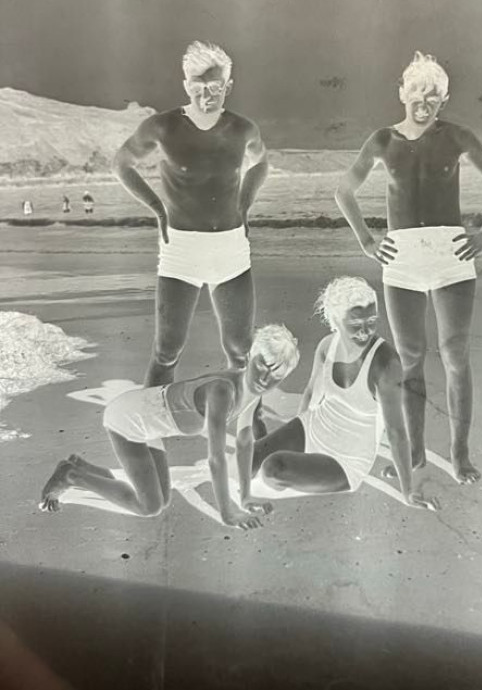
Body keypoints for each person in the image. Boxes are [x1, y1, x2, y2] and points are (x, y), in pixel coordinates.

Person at [335, 51, 482, 484]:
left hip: (451, 256)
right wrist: (366, 239)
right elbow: (344, 190)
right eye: (417, 92)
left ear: (443, 99)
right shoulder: (382, 140)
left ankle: (459, 453)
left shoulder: (457, 137)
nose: (424, 101)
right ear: (402, 93)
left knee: (454, 354)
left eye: (433, 95)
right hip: (402, 260)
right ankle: (414, 453)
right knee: (411, 358)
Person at [113, 41, 269, 386]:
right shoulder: (163, 127)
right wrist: (156, 207)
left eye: (214, 88)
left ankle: (245, 428)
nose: (205, 96)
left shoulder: (243, 129)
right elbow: (121, 163)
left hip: (230, 247)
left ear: (228, 86)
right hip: (181, 249)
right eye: (196, 87)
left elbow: (261, 162)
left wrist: (245, 201)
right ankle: (151, 430)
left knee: (241, 350)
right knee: (167, 350)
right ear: (185, 85)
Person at [39, 324, 299, 530]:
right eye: (262, 366)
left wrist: (244, 498)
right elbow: (216, 458)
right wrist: (227, 512)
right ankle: (72, 476)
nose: (265, 379)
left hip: (149, 426)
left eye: (276, 374)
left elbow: (243, 444)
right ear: (251, 356)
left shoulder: (253, 392)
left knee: (163, 500)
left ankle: (80, 466)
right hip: (127, 420)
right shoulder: (223, 391)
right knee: (149, 506)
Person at [249, 277, 437, 510]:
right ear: (335, 320)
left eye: (371, 320)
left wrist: (409, 491)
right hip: (315, 428)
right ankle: (300, 465)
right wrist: (294, 437)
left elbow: (397, 433)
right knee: (247, 461)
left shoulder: (385, 363)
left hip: (346, 460)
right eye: (356, 322)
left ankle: (299, 471)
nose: (365, 330)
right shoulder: (327, 345)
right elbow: (310, 394)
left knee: (273, 469)